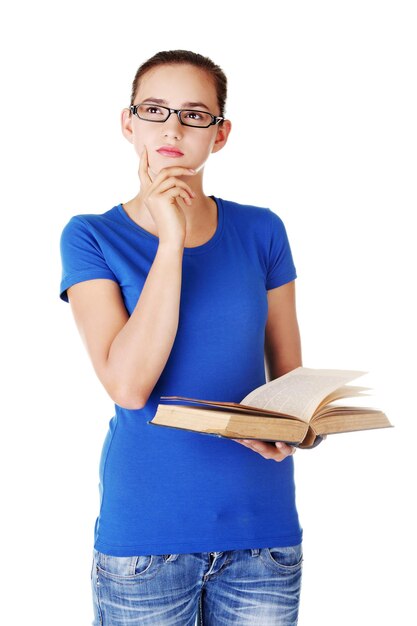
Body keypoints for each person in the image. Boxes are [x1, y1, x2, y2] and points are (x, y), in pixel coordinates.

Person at [59, 49, 303, 626]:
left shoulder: (262, 230)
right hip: (147, 538)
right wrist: (170, 240)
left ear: (219, 135)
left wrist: (297, 432)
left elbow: (291, 384)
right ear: (128, 123)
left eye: (195, 114)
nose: (172, 127)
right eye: (155, 110)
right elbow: (128, 385)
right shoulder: (90, 237)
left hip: (261, 533)